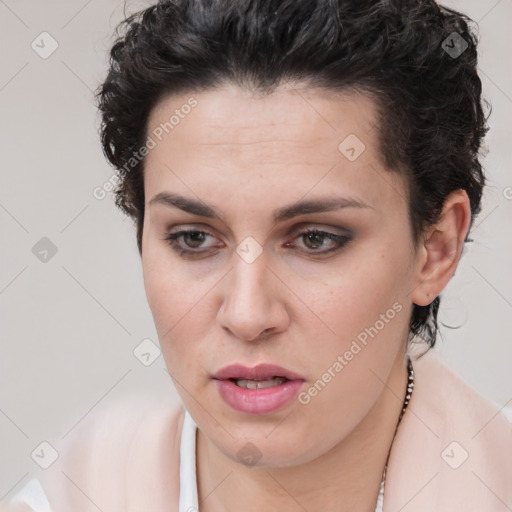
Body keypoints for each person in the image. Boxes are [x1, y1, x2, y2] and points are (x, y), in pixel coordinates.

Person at [6, 0, 512, 510]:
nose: (247, 316)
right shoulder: (73, 495)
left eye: (315, 238)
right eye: (194, 238)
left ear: (435, 250)